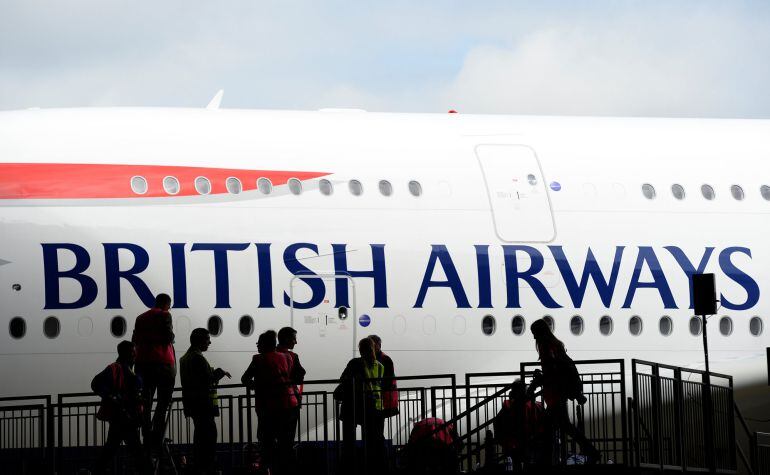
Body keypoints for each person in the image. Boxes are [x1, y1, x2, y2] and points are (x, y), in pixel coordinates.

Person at [527, 319, 600, 464]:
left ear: (540, 332)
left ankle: (547, 460)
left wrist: (539, 380)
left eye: (535, 334)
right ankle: (590, 451)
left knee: (550, 428)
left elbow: (552, 372)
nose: (534, 337)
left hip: (555, 394)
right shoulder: (555, 345)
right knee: (561, 427)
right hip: (558, 393)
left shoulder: (546, 346)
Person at [241, 330, 298, 475]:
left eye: (259, 343)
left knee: (267, 443)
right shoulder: (288, 357)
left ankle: (269, 469)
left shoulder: (258, 359)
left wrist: (256, 386)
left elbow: (245, 378)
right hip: (289, 405)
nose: (257, 346)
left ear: (264, 345)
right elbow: (294, 376)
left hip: (268, 408)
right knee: (286, 444)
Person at [92, 341, 151, 474]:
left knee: (110, 450)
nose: (135, 354)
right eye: (133, 351)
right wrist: (115, 398)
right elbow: (96, 384)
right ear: (128, 353)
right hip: (124, 418)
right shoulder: (117, 368)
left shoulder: (122, 368)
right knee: (137, 452)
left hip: (122, 417)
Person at [180, 328, 231, 475]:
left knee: (200, 437)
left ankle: (199, 466)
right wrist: (220, 372)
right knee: (209, 438)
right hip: (204, 405)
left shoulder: (184, 358)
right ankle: (206, 468)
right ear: (200, 341)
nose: (209, 342)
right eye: (207, 339)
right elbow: (207, 380)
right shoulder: (198, 358)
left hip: (192, 404)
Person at [132, 293, 176, 453]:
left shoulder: (140, 317)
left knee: (146, 401)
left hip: (143, 364)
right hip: (163, 364)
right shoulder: (165, 315)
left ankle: (146, 434)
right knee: (163, 402)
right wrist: (172, 337)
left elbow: (135, 339)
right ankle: (157, 436)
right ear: (166, 304)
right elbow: (168, 336)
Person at [336, 337, 386, 475]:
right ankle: (369, 467)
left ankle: (348, 467)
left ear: (360, 349)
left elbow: (343, 379)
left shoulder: (354, 363)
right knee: (370, 440)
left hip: (352, 405)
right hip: (371, 406)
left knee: (348, 440)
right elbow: (381, 386)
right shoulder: (380, 366)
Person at [494, 380, 548, 470]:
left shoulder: (508, 407)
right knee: (531, 461)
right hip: (531, 440)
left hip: (514, 442)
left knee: (516, 463)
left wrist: (503, 441)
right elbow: (542, 423)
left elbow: (498, 423)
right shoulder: (535, 405)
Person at [277, 327, 305, 473]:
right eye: (293, 338)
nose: (295, 341)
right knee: (288, 438)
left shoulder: (269, 354)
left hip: (272, 403)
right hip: (290, 401)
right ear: (286, 339)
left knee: (275, 438)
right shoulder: (292, 356)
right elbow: (301, 374)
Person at [368, 335, 399, 417]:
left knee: (376, 423)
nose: (372, 348)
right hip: (380, 399)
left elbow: (388, 381)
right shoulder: (384, 359)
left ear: (379, 345)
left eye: (373, 345)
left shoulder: (385, 360)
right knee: (378, 425)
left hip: (382, 399)